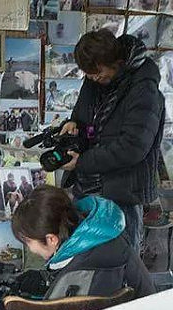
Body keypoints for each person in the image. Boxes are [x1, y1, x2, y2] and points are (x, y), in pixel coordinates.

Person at [60, 29, 166, 251]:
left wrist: (82, 162)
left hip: (121, 193)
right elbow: (83, 115)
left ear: (118, 63)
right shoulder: (95, 81)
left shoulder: (144, 90)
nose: (94, 79)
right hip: (88, 188)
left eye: (98, 73)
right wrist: (72, 124)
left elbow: (132, 148)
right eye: (88, 75)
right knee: (89, 262)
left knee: (121, 264)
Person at [11, 186, 155, 299]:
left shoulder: (84, 268)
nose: (30, 249)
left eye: (28, 242)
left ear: (51, 239)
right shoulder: (93, 236)